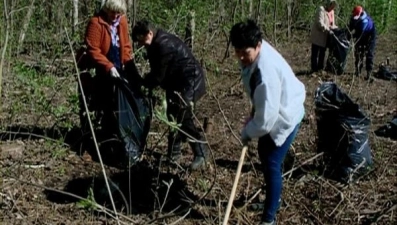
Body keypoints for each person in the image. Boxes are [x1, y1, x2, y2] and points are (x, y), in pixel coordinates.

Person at [230, 20, 306, 225]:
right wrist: (255, 111)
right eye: (237, 52)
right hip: (277, 104)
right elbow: (261, 100)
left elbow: (266, 121)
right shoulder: (253, 55)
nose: (241, 57)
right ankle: (272, 200)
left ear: (258, 45)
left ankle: (269, 218)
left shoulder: (265, 73)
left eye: (245, 52)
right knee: (266, 156)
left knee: (271, 161)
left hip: (286, 113)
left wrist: (247, 131)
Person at [131, 20, 207, 170]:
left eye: (141, 40)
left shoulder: (163, 45)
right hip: (176, 82)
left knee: (183, 116)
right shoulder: (155, 43)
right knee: (172, 115)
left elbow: (158, 76)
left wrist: (143, 84)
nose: (140, 45)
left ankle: (201, 153)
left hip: (190, 81)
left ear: (149, 34)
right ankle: (174, 153)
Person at [81, 0, 141, 165]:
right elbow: (93, 50)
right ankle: (100, 140)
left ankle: (118, 138)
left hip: (119, 66)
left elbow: (126, 45)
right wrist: (108, 67)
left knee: (120, 104)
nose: (116, 16)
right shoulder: (96, 23)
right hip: (100, 69)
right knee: (104, 104)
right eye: (113, 12)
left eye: (119, 13)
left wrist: (128, 65)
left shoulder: (121, 20)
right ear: (106, 10)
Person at [348, 5, 376, 80]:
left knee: (369, 54)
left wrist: (352, 36)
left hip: (370, 36)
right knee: (358, 52)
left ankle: (369, 74)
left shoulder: (365, 21)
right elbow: (350, 28)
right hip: (360, 34)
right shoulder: (353, 17)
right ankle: (358, 71)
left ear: (360, 14)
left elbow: (359, 34)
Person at [310, 0, 338, 73]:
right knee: (315, 54)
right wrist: (328, 29)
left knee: (322, 53)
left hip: (325, 37)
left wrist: (336, 29)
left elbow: (332, 24)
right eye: (331, 6)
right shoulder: (321, 9)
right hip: (318, 36)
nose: (332, 8)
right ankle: (314, 70)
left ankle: (320, 69)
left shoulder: (332, 12)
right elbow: (320, 23)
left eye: (333, 7)